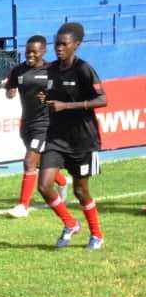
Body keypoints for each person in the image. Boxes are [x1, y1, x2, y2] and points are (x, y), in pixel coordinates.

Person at [38, 22, 107, 250]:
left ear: (76, 45)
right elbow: (49, 95)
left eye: (63, 44)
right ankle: (70, 223)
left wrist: (66, 106)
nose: (58, 48)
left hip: (82, 140)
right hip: (56, 137)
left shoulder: (84, 69)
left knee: (80, 191)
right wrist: (43, 98)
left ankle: (96, 235)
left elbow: (102, 100)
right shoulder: (50, 70)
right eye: (56, 43)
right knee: (44, 186)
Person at [4, 35, 69, 218]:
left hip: (45, 124)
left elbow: (64, 93)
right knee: (39, 161)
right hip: (26, 123)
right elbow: (10, 90)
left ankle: (23, 206)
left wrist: (50, 97)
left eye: (34, 52)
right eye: (27, 52)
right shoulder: (19, 70)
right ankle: (62, 182)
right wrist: (10, 91)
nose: (30, 55)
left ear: (43, 51)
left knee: (29, 161)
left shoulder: (52, 70)